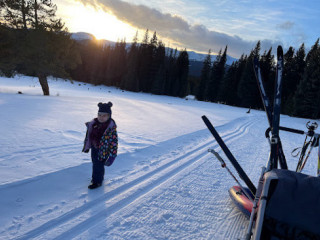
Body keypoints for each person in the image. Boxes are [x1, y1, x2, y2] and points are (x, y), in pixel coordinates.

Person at [82, 102, 118, 189]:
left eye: (104, 115)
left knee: (98, 165)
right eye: (100, 115)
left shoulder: (110, 128)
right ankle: (97, 178)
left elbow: (114, 143)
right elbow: (89, 135)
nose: (101, 117)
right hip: (94, 148)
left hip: (104, 151)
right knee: (95, 164)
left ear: (109, 116)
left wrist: (112, 156)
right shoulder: (94, 124)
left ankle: (97, 182)